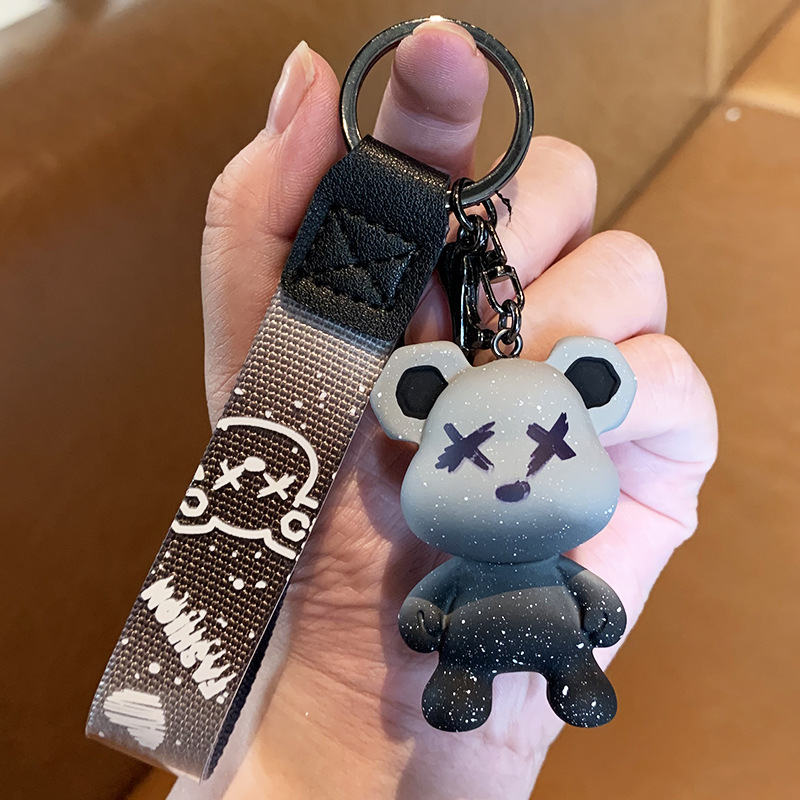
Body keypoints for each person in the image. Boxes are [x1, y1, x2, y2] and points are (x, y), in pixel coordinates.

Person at [169, 19, 718, 800]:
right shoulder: (450, 559)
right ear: (412, 407)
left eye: (555, 450)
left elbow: (592, 598)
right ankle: (471, 683)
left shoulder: (558, 556)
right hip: (410, 656)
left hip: (531, 667)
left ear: (599, 391)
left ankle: (567, 675)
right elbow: (427, 605)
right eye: (466, 455)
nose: (515, 480)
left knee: (565, 665)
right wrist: (338, 704)